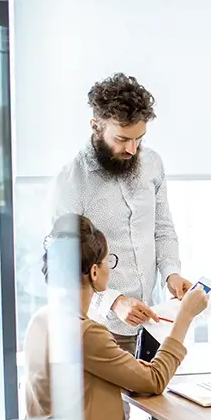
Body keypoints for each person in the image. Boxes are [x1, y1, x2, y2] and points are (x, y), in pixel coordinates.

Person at [23, 214, 208, 420]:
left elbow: (95, 374)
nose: (111, 269)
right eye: (110, 262)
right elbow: (153, 381)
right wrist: (183, 319)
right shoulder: (85, 332)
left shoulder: (42, 320)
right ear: (94, 272)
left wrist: (128, 366)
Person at [51, 73, 191, 354]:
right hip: (102, 329)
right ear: (95, 126)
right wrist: (115, 302)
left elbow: (162, 228)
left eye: (139, 138)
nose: (132, 149)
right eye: (122, 138)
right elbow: (65, 267)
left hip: (154, 321)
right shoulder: (71, 181)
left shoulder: (151, 163)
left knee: (160, 396)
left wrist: (171, 274)